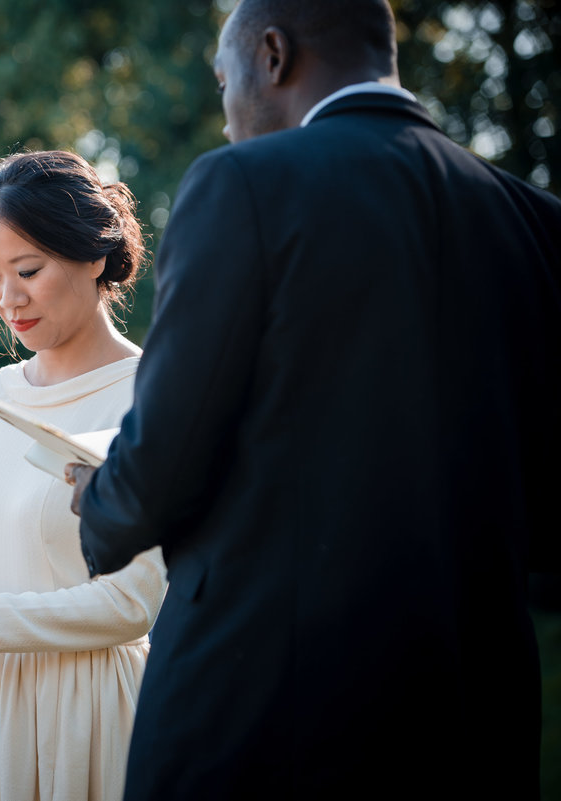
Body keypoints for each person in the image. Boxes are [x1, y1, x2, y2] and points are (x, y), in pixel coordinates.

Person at [67, 1, 561, 798]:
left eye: (225, 84)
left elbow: (166, 447)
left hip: (267, 708)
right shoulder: (532, 219)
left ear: (272, 55)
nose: (227, 122)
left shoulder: (244, 184)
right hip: (477, 712)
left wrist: (101, 500)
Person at [0, 150, 168, 801]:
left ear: (95, 256)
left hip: (86, 713)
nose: (7, 299)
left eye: (28, 270)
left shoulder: (153, 394)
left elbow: (131, 602)